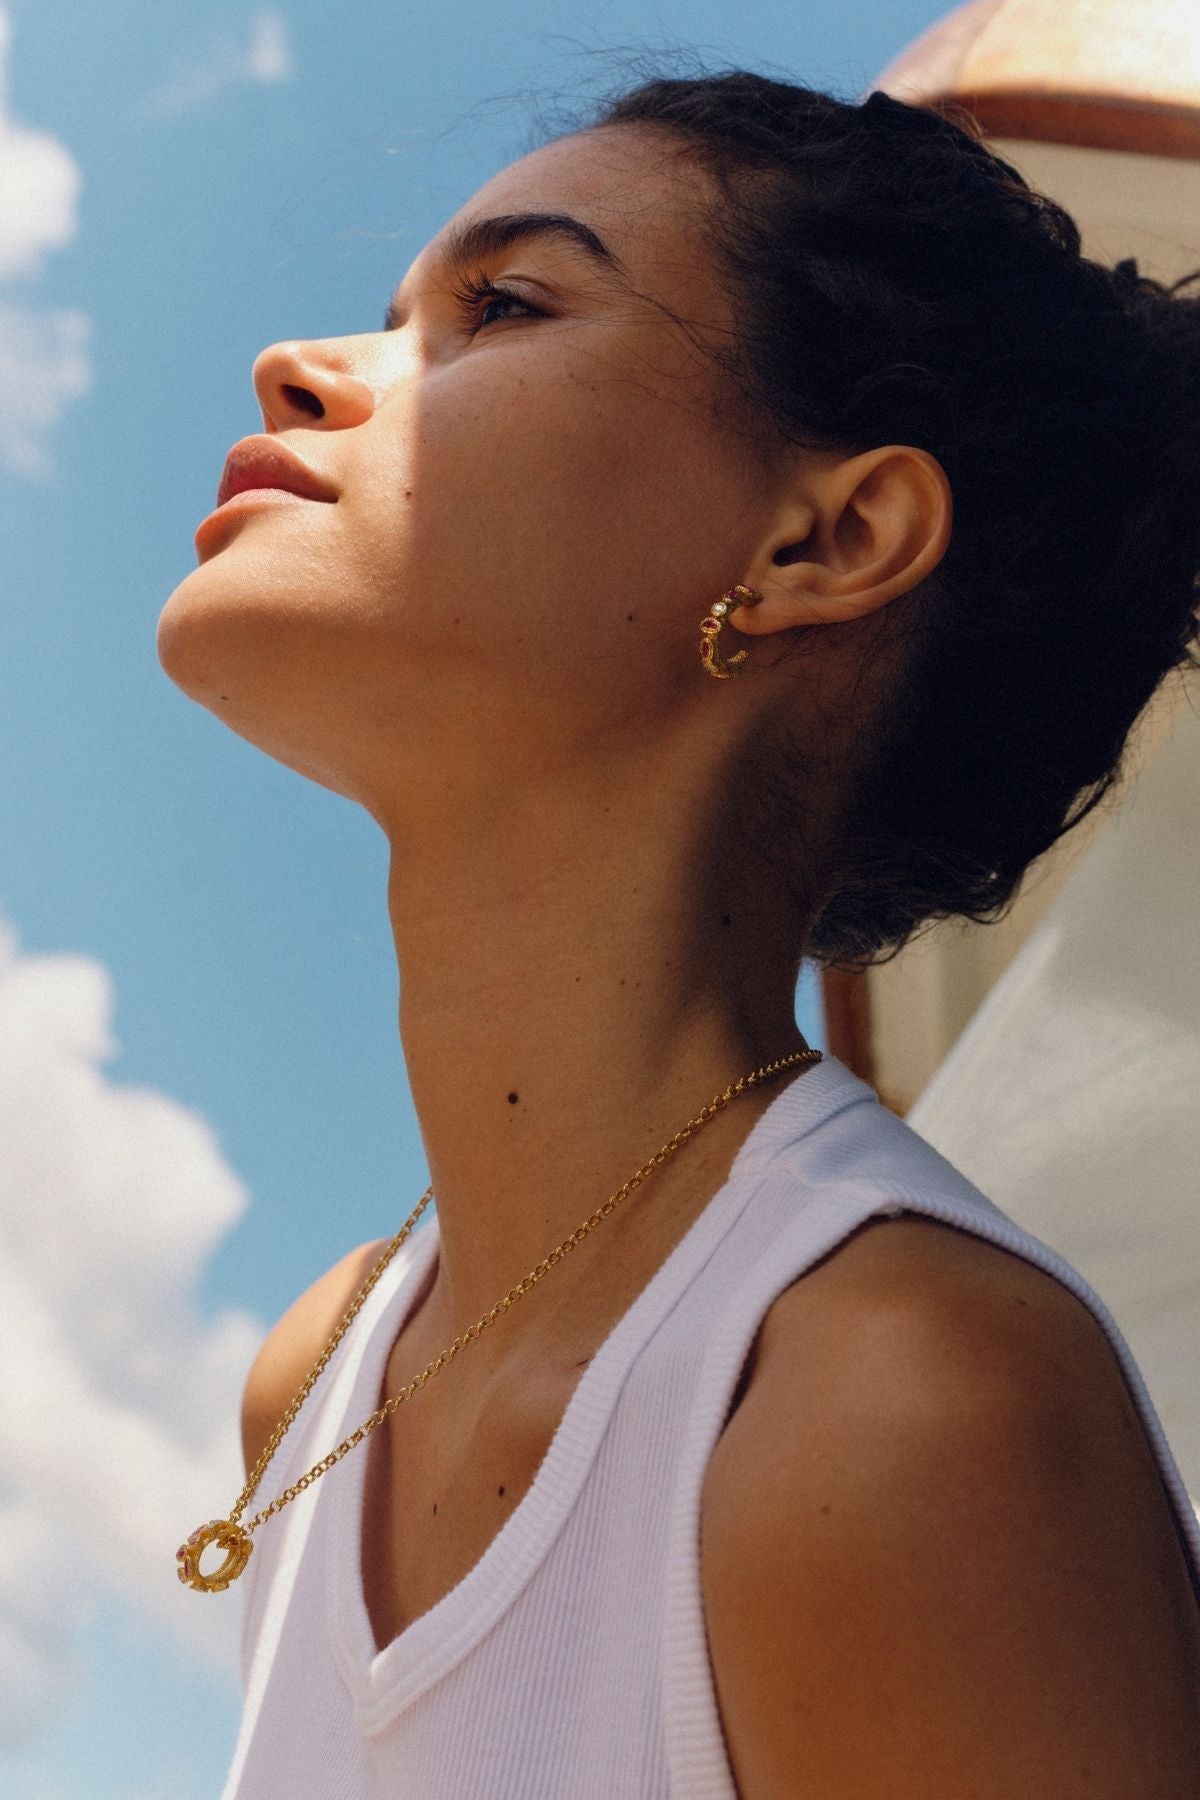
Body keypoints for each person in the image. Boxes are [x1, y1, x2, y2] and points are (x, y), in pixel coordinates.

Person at [157, 68, 1200, 1799]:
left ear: (825, 539)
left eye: (502, 305)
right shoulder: (324, 1372)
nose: (300, 363)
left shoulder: (895, 1404)